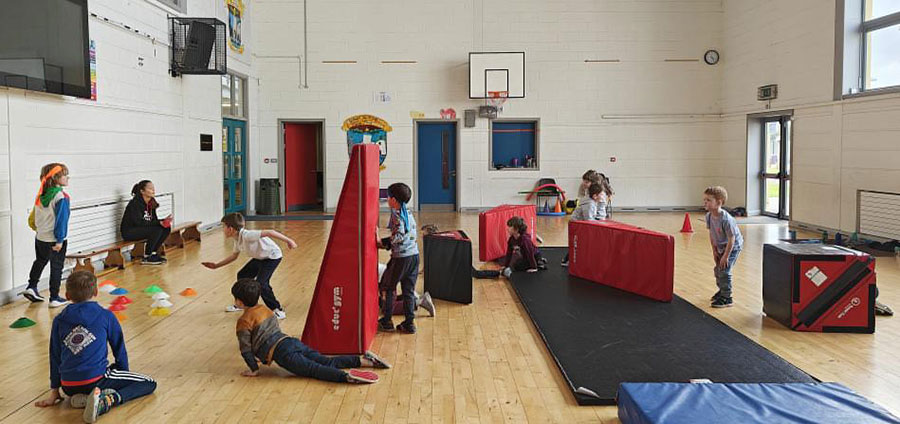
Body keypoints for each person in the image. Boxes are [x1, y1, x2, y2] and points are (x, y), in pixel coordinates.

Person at [35, 271, 157, 423]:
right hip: (96, 380)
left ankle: (85, 399)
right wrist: (122, 376)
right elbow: (119, 348)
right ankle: (108, 400)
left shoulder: (59, 320)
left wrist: (55, 390)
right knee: (149, 382)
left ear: (67, 295)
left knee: (95, 376)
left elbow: (54, 355)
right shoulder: (106, 316)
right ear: (96, 292)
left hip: (68, 386)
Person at [231, 279, 389, 383]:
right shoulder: (265, 309)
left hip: (283, 354)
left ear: (239, 301)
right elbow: (269, 332)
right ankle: (363, 360)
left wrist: (253, 369)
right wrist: (261, 355)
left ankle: (347, 377)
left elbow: (245, 348)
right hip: (290, 342)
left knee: (315, 370)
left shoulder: (243, 321)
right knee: (326, 360)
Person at [202, 213, 296, 320]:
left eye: (223, 226)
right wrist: (216, 266)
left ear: (231, 229)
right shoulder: (237, 239)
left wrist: (289, 241)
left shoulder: (248, 235)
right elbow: (234, 256)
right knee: (243, 275)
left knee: (261, 283)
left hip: (272, 257)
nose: (222, 229)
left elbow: (271, 232)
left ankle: (277, 309)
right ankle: (243, 303)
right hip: (260, 257)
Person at [22, 163, 71, 307]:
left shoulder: (40, 195)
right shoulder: (61, 196)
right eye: (65, 175)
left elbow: (33, 218)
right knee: (56, 267)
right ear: (56, 178)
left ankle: (32, 286)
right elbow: (61, 220)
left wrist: (39, 231)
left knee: (40, 260)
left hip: (41, 237)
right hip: (55, 240)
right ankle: (54, 297)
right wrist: (60, 240)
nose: (68, 177)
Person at [377, 182, 420, 334]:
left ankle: (387, 320)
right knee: (408, 291)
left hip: (401, 259)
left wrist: (383, 242)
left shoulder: (396, 214)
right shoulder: (408, 212)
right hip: (414, 257)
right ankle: (409, 323)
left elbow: (400, 235)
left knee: (388, 287)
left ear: (394, 200)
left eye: (388, 197)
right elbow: (409, 234)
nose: (387, 199)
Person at [704, 186, 743, 308]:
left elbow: (732, 239)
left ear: (719, 202)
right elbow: (712, 234)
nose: (705, 203)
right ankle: (722, 291)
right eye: (704, 200)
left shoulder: (726, 219)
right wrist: (714, 251)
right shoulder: (709, 216)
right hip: (720, 247)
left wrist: (725, 256)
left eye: (709, 200)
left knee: (724, 271)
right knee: (717, 270)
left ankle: (727, 297)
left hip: (732, 247)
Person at [120, 180, 172, 265]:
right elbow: (139, 222)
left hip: (141, 228)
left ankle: (153, 253)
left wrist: (163, 221)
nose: (153, 190)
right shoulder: (135, 204)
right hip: (129, 231)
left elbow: (153, 220)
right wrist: (159, 223)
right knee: (156, 230)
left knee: (166, 228)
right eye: (150, 188)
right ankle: (147, 256)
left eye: (153, 188)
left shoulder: (151, 203)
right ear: (142, 191)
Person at [561, 182, 606, 267]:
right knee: (577, 243)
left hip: (578, 223)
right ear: (595, 196)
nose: (602, 196)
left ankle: (568, 259)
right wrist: (597, 222)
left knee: (578, 243)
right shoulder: (590, 204)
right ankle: (568, 260)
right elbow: (588, 219)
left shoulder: (590, 201)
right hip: (576, 224)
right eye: (600, 194)